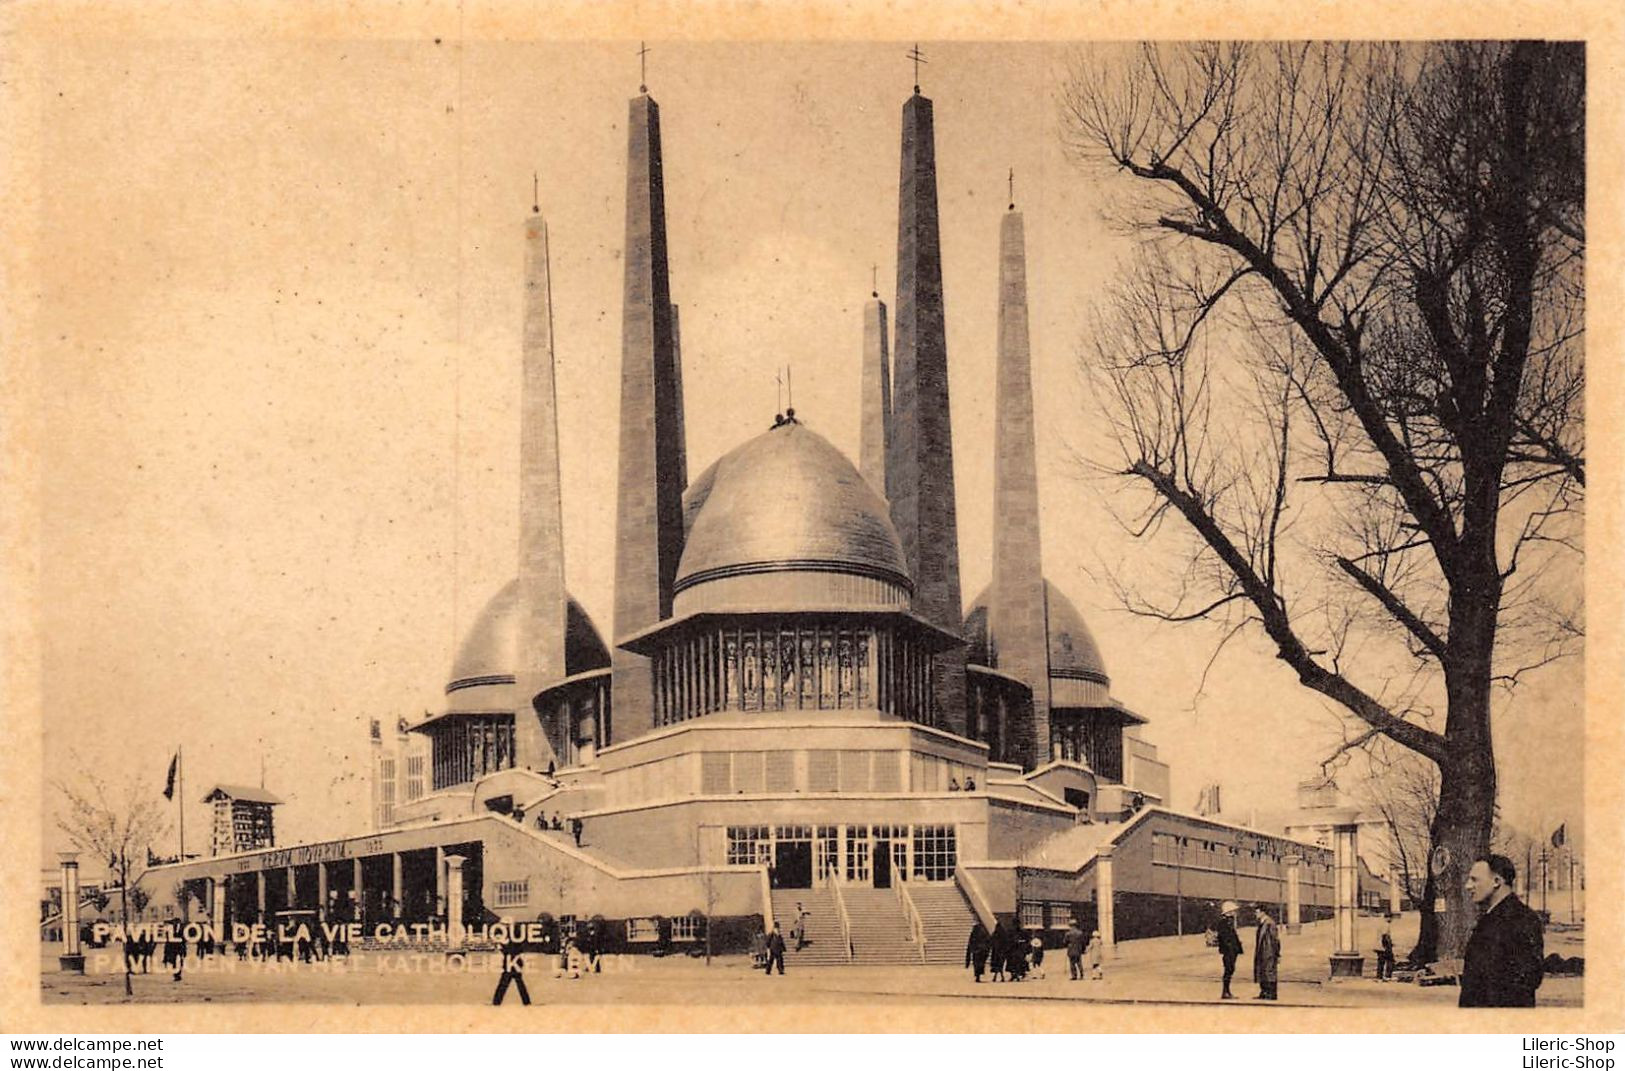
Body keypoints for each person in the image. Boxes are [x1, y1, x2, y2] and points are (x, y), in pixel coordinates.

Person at [1459, 854, 1545, 1007]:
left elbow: (1526, 980)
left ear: (1497, 881)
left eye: (1474, 879)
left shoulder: (1521, 919)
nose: (1467, 886)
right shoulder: (1491, 917)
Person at [491, 919, 533, 1006]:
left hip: (511, 962)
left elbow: (510, 950)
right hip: (515, 962)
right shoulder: (514, 935)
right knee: (518, 982)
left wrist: (502, 946)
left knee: (505, 982)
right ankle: (526, 1002)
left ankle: (496, 1002)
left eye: (505, 925)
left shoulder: (512, 936)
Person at [1215, 901, 1243, 999]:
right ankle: (1225, 992)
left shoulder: (1228, 922)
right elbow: (1224, 938)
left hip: (1231, 951)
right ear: (1229, 912)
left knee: (1230, 970)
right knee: (1228, 970)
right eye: (1233, 911)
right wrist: (1231, 947)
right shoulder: (1223, 923)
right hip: (1228, 951)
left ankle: (1227, 991)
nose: (1235, 913)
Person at [1253, 906, 1280, 1000]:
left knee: (1269, 972)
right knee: (1262, 971)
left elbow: (1275, 939)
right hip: (1262, 951)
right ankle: (1264, 992)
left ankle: (1271, 994)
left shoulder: (1270, 923)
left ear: (1263, 913)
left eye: (1257, 912)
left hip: (1269, 951)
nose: (1255, 914)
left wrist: (1277, 953)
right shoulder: (1262, 923)